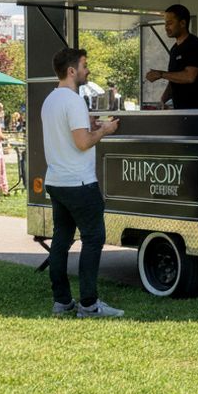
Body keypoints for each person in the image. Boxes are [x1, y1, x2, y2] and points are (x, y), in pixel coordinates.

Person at [42, 47, 121, 318]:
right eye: (84, 66)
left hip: (57, 180)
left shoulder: (50, 100)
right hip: (80, 182)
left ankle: (62, 301)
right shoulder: (74, 101)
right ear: (71, 70)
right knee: (93, 238)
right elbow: (83, 142)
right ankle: (89, 304)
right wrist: (105, 130)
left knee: (61, 241)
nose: (87, 70)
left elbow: (70, 134)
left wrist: (89, 126)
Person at [145, 4, 198, 109]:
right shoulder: (174, 49)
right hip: (181, 110)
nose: (166, 27)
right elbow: (174, 79)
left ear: (182, 23)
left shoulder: (193, 44)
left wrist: (161, 74)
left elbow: (189, 76)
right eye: (165, 23)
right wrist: (163, 99)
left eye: (170, 23)